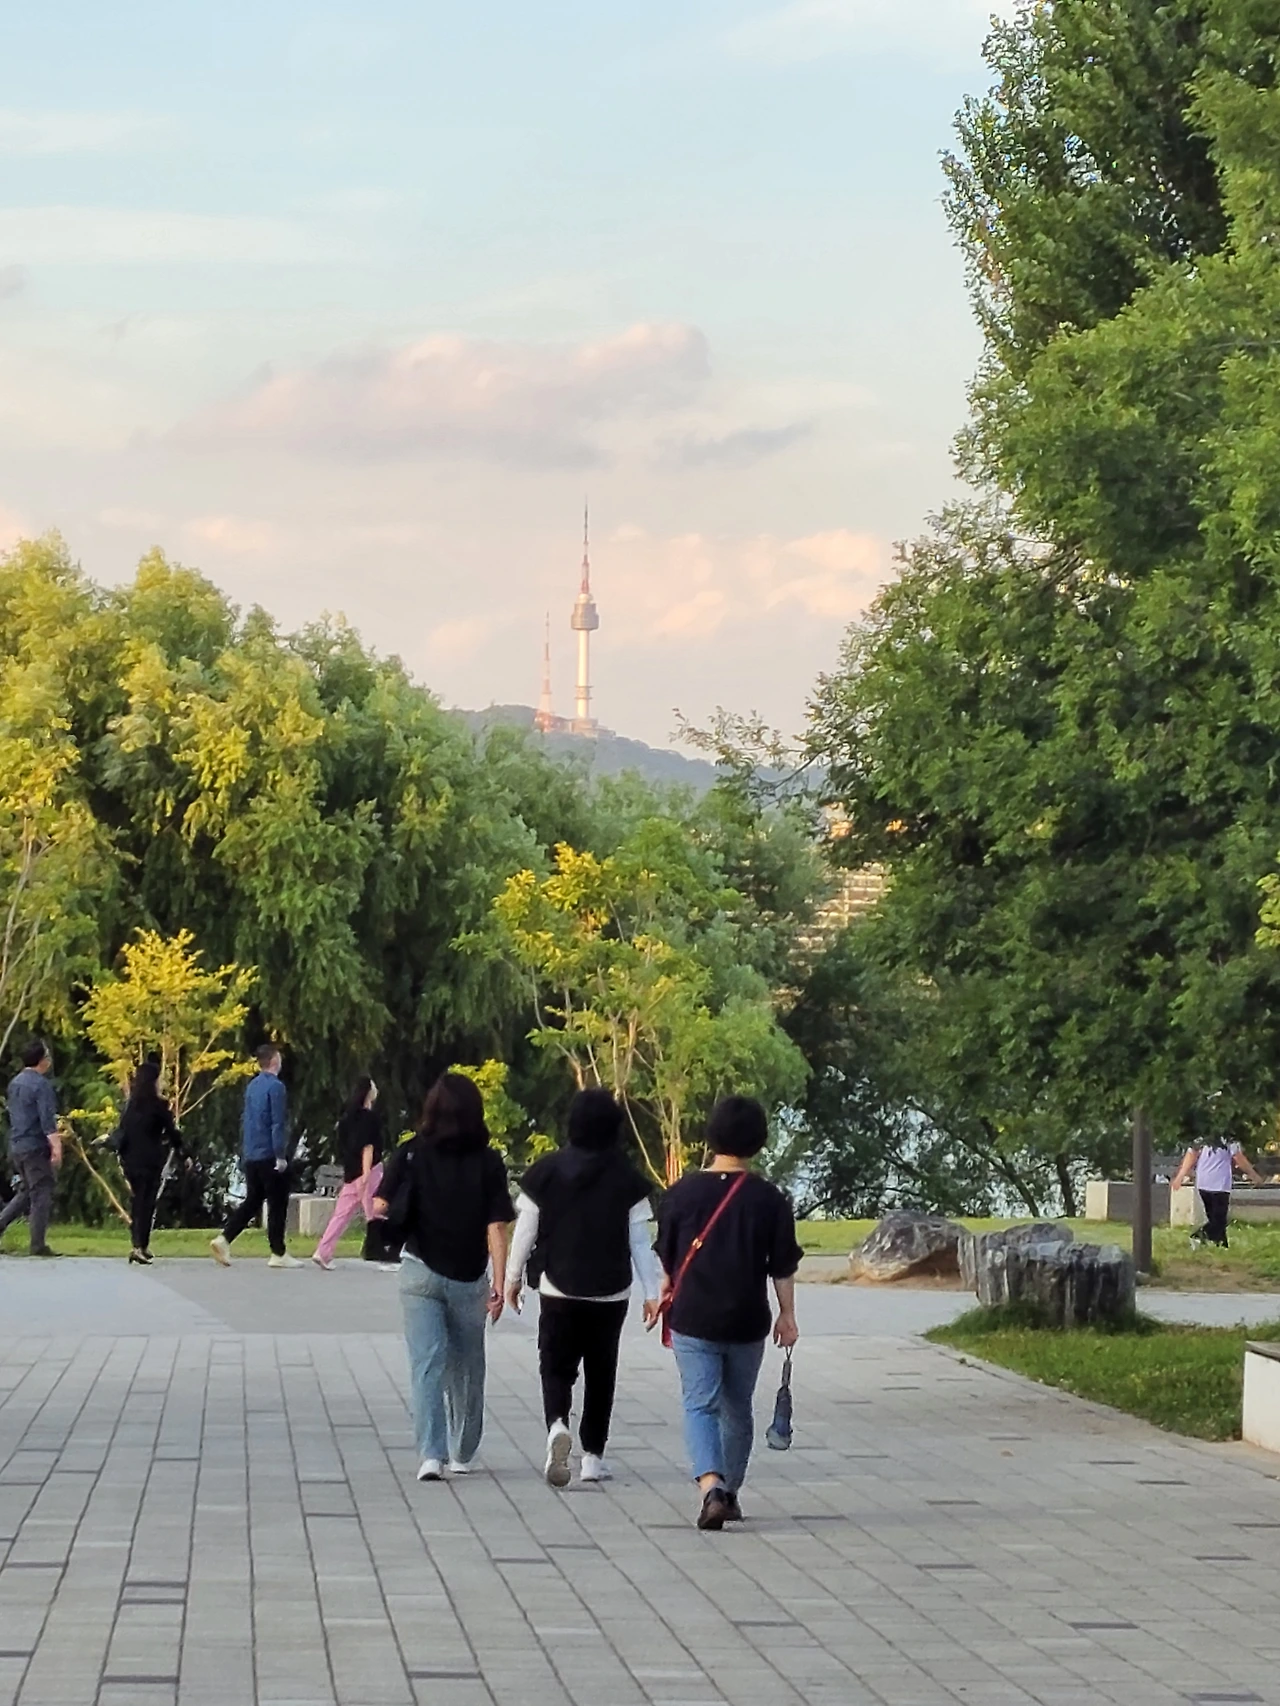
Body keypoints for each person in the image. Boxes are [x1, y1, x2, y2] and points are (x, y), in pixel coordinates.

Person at [653, 1095, 801, 1531]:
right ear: (759, 1140)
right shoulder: (770, 1199)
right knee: (737, 1408)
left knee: (700, 1405)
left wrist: (663, 1289)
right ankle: (730, 1492)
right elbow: (782, 1265)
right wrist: (787, 1315)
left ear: (712, 1134)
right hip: (746, 1320)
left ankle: (711, 1487)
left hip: (693, 1317)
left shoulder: (681, 1194)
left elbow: (667, 1257)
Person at [506, 1088, 663, 1488]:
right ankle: (593, 1456)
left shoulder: (546, 1171)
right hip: (611, 1291)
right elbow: (639, 1241)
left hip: (557, 1287)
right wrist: (652, 1292)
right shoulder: (627, 1178)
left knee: (555, 1364)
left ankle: (557, 1423)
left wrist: (511, 1279)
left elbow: (525, 1230)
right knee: (601, 1371)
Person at [374, 1073, 513, 1482]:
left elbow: (380, 1204)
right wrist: (499, 1284)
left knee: (426, 1363)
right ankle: (463, 1452)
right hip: (469, 1277)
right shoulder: (489, 1161)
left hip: (419, 1270)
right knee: (467, 1367)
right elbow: (497, 1226)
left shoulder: (410, 1153)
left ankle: (430, 1455)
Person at [209, 1044, 300, 1269]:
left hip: (253, 1153)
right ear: (274, 1060)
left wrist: (246, 1152)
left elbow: (248, 1120)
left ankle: (225, 1238)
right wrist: (280, 1154)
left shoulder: (252, 1086)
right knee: (277, 1203)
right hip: (269, 1153)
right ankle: (278, 1252)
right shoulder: (276, 1087)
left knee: (253, 1200)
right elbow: (277, 1122)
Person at [312, 1075, 384, 1270]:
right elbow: (368, 1147)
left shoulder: (345, 1119)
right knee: (376, 1211)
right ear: (369, 1092)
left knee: (341, 1215)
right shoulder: (370, 1118)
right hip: (369, 1171)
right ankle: (380, 1252)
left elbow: (345, 1148)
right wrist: (366, 1174)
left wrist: (354, 1172)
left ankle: (323, 1251)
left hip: (351, 1174)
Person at [117, 1060, 184, 1264]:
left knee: (138, 1201)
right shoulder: (158, 1105)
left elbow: (123, 1131)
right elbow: (172, 1132)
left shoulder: (130, 1105)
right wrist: (183, 1152)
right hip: (150, 1160)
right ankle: (140, 1245)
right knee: (147, 1203)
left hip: (130, 1159)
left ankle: (138, 1245)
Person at [0, 1038, 62, 1257]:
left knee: (26, 1191)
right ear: (41, 1060)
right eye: (47, 1055)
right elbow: (47, 1120)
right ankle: (38, 1244)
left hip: (17, 1144)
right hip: (35, 1146)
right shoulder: (41, 1085)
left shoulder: (15, 1083)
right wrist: (56, 1146)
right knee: (41, 1192)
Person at [1170, 1129, 1263, 1249]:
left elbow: (1191, 1155)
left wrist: (1180, 1176)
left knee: (1215, 1218)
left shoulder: (1202, 1136)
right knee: (1219, 1221)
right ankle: (1198, 1236)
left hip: (1203, 1183)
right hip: (1220, 1184)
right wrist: (1254, 1175)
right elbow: (1238, 1158)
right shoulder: (1229, 1137)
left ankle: (1222, 1246)